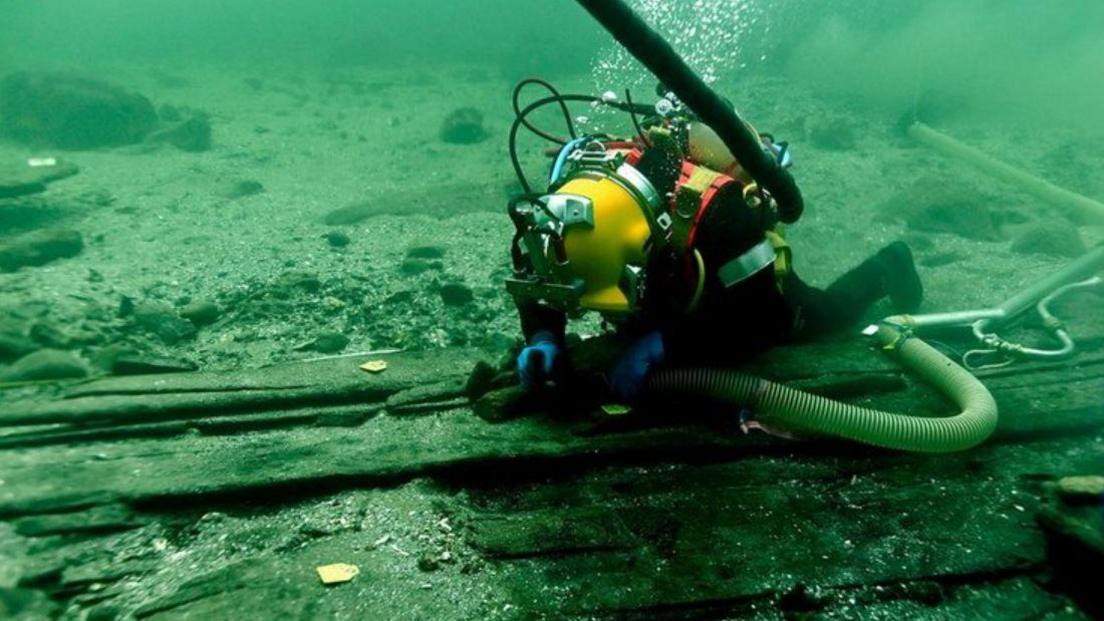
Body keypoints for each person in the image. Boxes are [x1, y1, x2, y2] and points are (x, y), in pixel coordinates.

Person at [506, 91, 923, 402]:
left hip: (733, 290)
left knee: (817, 317)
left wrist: (671, 345)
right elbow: (541, 280)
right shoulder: (560, 214)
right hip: (675, 283)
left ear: (645, 245)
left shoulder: (723, 216)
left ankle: (889, 265)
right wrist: (544, 335)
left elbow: (761, 319)